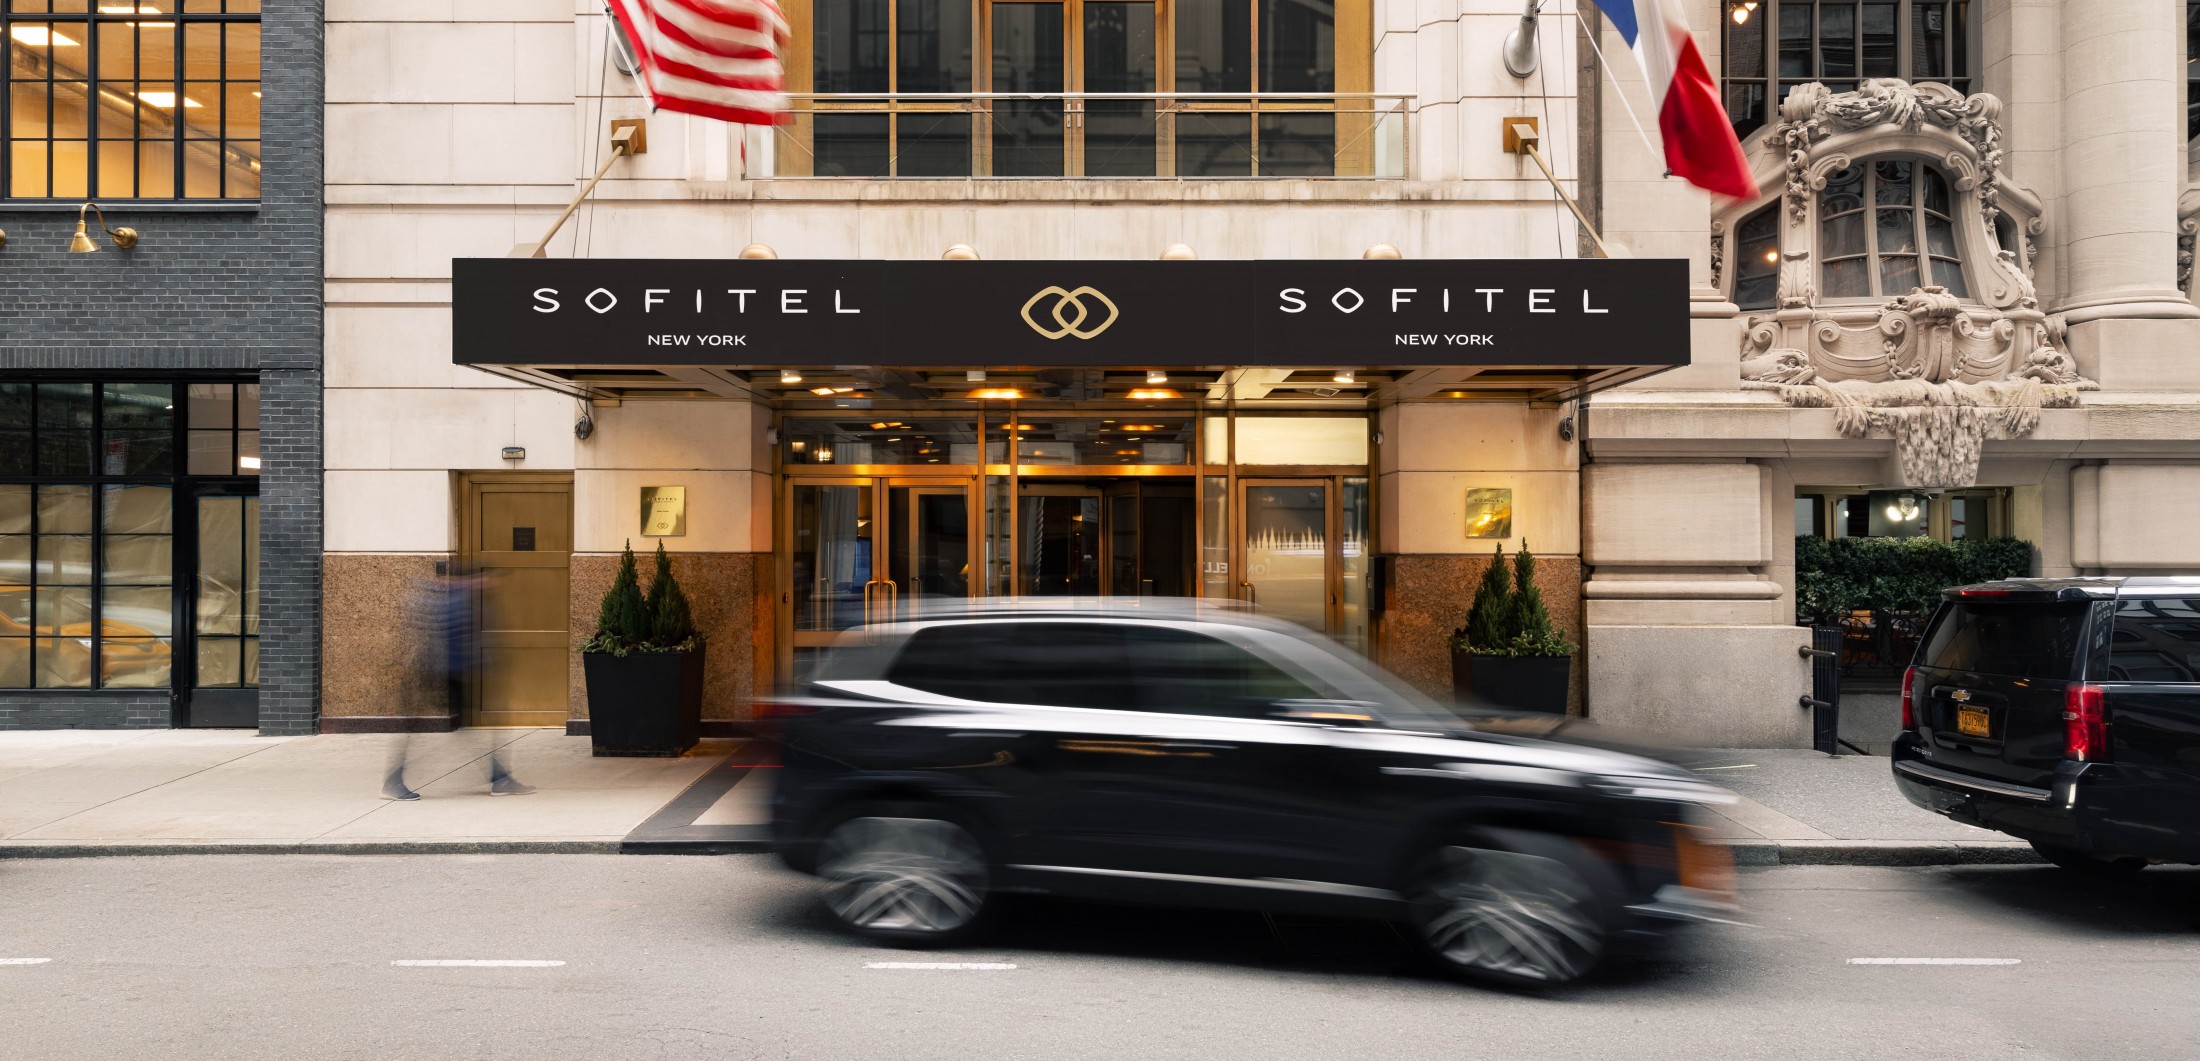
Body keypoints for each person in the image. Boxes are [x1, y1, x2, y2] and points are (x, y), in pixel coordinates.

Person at [382, 567, 534, 799]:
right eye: (489, 579)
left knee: (448, 729)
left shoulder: (458, 598)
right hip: (440, 674)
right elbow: (456, 639)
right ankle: (393, 782)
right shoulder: (456, 600)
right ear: (474, 579)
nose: (492, 584)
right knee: (417, 727)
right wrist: (483, 663)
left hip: (446, 673)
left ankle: (500, 778)